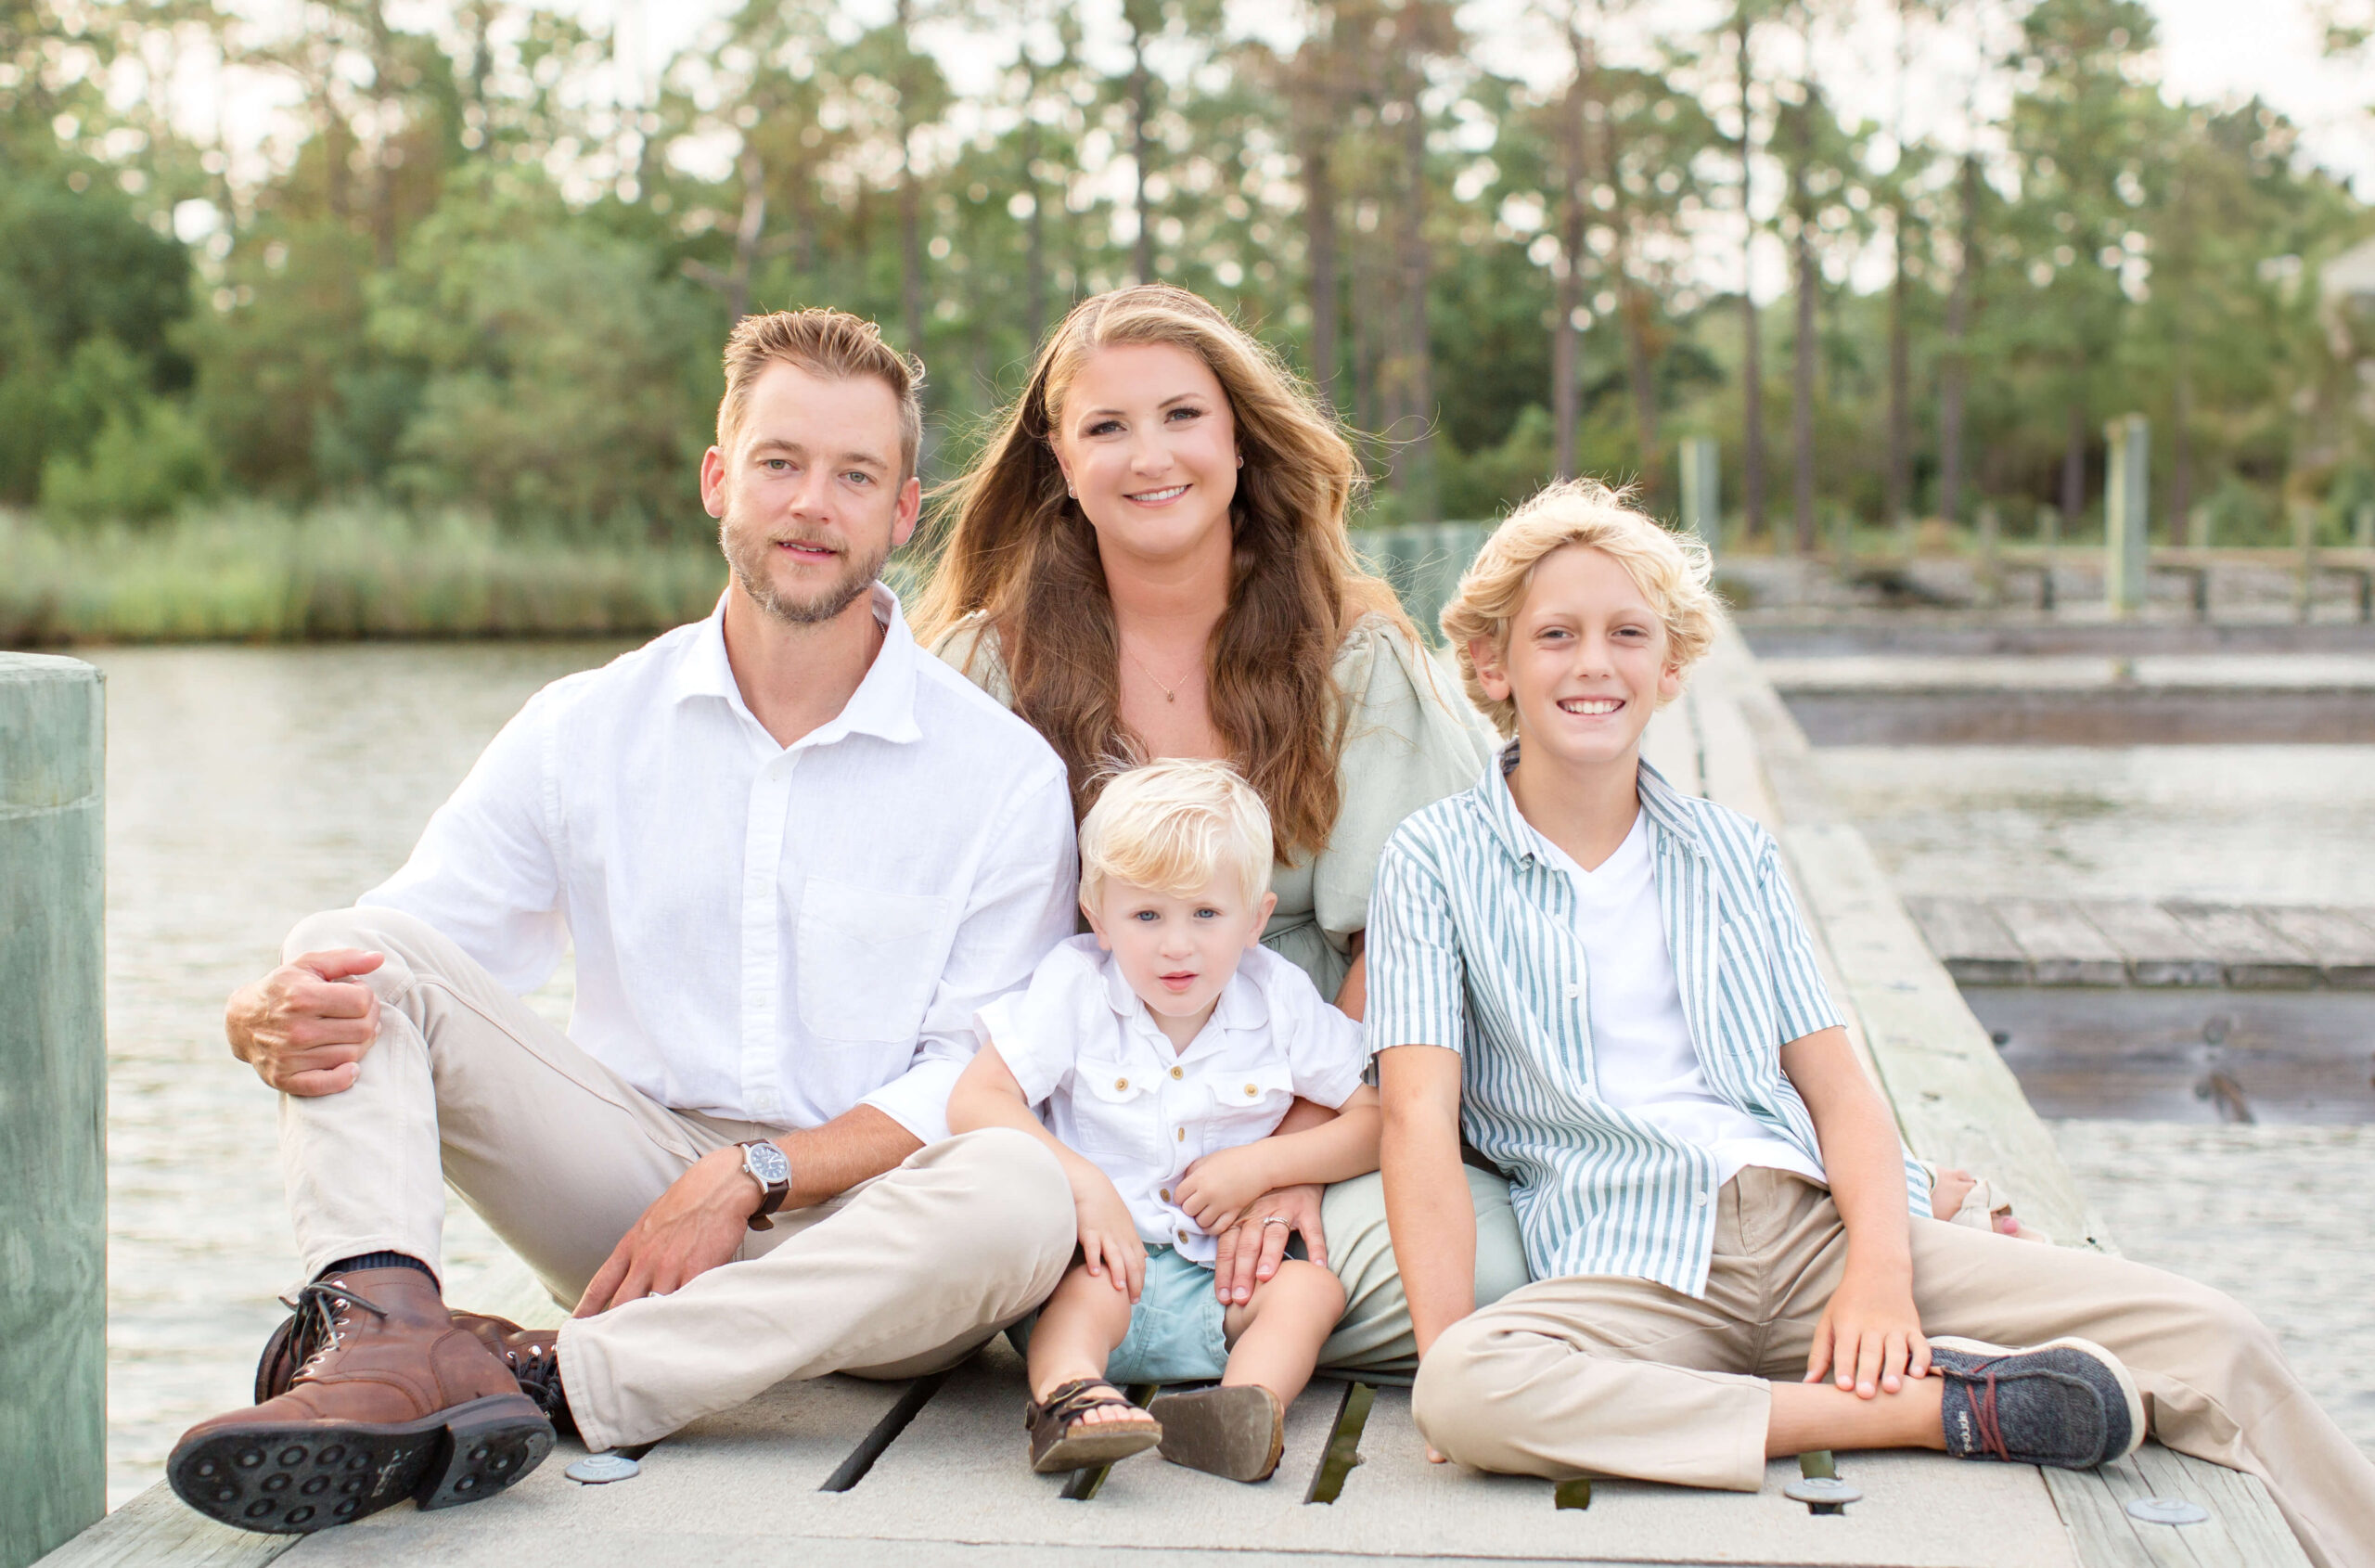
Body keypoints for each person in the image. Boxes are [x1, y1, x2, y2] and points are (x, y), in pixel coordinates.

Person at [168, 308, 1083, 1536]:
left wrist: (757, 1172)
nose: (814, 503)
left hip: (881, 1232)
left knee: (1025, 1190)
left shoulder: (1000, 773)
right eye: (780, 462)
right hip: (633, 1211)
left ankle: (534, 1375)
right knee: (346, 956)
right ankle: (379, 1333)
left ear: (904, 509)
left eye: (854, 474)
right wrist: (262, 1009)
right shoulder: (584, 724)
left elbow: (974, 1077)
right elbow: (405, 944)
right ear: (719, 479)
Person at [1370, 480, 2375, 1568]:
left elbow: (1839, 1090)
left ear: (1669, 669)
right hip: (1633, 1262)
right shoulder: (1433, 862)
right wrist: (1436, 1358)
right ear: (1491, 666)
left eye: (1626, 635)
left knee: (2218, 1338)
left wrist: (1880, 1278)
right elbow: (1416, 1118)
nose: (1591, 665)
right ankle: (1918, 1408)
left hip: (1821, 1233)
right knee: (1470, 1390)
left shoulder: (1731, 852)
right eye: (1554, 636)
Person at [915, 283, 1527, 1373]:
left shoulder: (1353, 660)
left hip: (1297, 1096)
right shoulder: (985, 667)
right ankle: (1122, 1307)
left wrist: (1288, 1160)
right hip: (1070, 1129)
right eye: (1107, 426)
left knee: (1489, 1270)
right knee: (969, 1237)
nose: (1150, 455)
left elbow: (1403, 940)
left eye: (1181, 415)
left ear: (1239, 437)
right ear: (1060, 460)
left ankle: (1158, 1326)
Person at [947, 759, 1378, 1481]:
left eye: (1206, 914)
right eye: (1146, 916)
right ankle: (1071, 1398)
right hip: (1104, 1261)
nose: (1177, 945)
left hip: (1224, 1278)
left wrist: (1268, 1166)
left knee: (1310, 1292)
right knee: (1081, 1298)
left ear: (1256, 919)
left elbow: (1374, 1117)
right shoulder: (1075, 988)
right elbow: (976, 1099)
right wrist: (1082, 1184)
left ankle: (1241, 1408)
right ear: (1099, 917)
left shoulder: (1279, 1000)